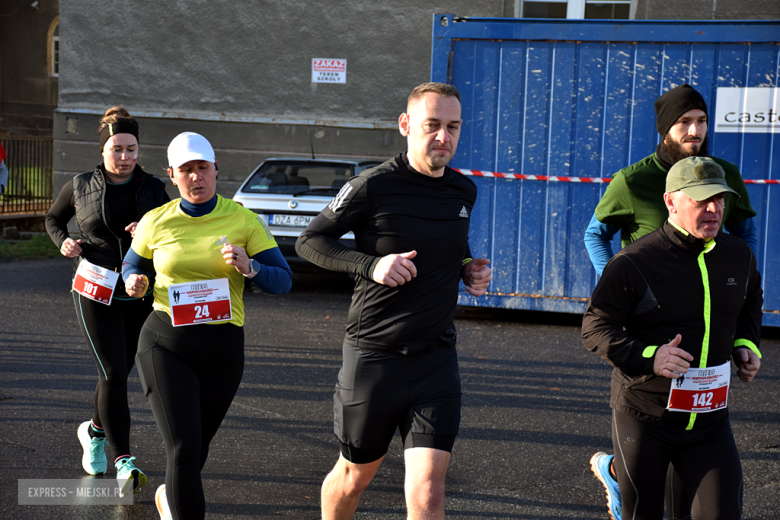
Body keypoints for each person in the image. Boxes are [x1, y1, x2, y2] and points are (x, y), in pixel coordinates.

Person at [296, 82, 492, 520]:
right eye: (433, 125)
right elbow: (310, 242)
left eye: (454, 127)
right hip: (375, 358)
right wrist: (372, 265)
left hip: (436, 359)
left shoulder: (463, 191)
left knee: (429, 494)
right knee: (353, 477)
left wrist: (467, 267)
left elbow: (451, 245)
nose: (444, 137)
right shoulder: (373, 186)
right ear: (406, 125)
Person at [583, 84, 759, 520]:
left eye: (720, 199)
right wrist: (650, 354)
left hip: (710, 419)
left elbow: (751, 298)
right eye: (701, 200)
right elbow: (594, 328)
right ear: (670, 203)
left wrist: (746, 344)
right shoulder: (634, 261)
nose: (714, 209)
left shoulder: (736, 253)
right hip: (647, 418)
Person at [122, 132, 293, 520]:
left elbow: (283, 281)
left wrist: (251, 267)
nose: (196, 178)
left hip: (223, 349)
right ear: (172, 175)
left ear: (216, 170)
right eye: (186, 171)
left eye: (203, 168)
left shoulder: (243, 219)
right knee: (182, 446)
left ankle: (170, 495)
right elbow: (133, 264)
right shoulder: (156, 221)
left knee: (197, 448)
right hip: (165, 341)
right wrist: (134, 279)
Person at [45, 106, 169, 495]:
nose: (125, 157)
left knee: (117, 372)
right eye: (117, 149)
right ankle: (123, 461)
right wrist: (63, 240)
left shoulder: (152, 188)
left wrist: (148, 231)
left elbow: (169, 228)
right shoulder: (80, 185)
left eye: (131, 149)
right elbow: (53, 218)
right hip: (94, 288)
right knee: (114, 371)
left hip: (138, 289)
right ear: (102, 150)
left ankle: (95, 431)